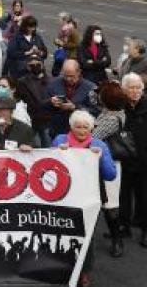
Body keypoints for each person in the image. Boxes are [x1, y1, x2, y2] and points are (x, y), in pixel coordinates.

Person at [51, 110, 119, 284]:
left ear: (91, 128)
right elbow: (48, 166)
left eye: (85, 127)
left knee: (86, 237)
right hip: (65, 197)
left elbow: (110, 175)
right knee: (63, 234)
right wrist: (58, 153)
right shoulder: (60, 140)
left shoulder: (99, 144)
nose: (82, 131)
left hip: (91, 198)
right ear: (71, 127)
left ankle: (84, 272)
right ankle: (64, 269)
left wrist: (101, 158)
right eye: (78, 127)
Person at [92, 81, 131, 257]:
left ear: (106, 99)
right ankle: (116, 237)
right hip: (106, 162)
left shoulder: (111, 119)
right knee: (108, 203)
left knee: (109, 204)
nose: (98, 96)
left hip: (107, 163)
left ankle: (117, 241)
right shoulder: (115, 112)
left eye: (101, 94)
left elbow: (92, 137)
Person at [120, 72, 147, 247]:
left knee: (144, 196)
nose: (135, 91)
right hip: (124, 158)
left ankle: (145, 230)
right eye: (131, 87)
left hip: (145, 159)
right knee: (124, 194)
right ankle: (124, 226)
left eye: (138, 87)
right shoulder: (119, 107)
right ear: (124, 89)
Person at [44, 59, 97, 138]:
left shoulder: (91, 87)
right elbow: (42, 105)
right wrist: (51, 102)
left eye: (71, 76)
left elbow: (96, 111)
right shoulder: (53, 84)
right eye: (65, 75)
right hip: (57, 131)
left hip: (81, 134)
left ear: (79, 72)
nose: (68, 79)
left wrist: (75, 107)